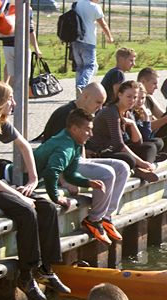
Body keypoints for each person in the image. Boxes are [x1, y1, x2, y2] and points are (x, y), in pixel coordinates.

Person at [0, 80, 69, 300]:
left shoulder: (0, 122)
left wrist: (33, 181)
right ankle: (26, 274)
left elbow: (25, 146)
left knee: (46, 206)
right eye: (10, 99)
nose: (14, 103)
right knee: (26, 210)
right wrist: (18, 196)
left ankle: (46, 268)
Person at [35, 83, 130, 243]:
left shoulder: (83, 113)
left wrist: (86, 161)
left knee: (122, 167)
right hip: (64, 164)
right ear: (85, 97)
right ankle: (94, 219)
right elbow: (56, 154)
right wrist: (65, 181)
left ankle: (106, 216)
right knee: (107, 173)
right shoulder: (65, 115)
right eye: (98, 102)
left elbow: (80, 144)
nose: (100, 108)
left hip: (75, 160)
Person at [88, 80, 160, 183]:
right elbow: (118, 144)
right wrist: (141, 162)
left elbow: (138, 142)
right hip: (101, 151)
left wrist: (133, 124)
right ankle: (139, 168)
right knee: (128, 158)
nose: (132, 100)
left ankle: (143, 170)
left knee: (150, 146)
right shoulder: (111, 112)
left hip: (115, 149)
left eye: (135, 97)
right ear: (120, 95)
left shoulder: (127, 111)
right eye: (129, 96)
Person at [72, 0, 114, 93]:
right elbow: (103, 24)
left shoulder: (77, 3)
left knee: (80, 67)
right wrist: (110, 37)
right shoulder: (95, 7)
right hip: (88, 41)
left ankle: (78, 91)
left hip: (75, 40)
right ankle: (81, 86)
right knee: (90, 66)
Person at [0, 3, 41, 86]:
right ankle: (18, 96)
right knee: (23, 75)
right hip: (21, 44)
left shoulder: (6, 6)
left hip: (6, 44)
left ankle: (8, 94)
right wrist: (36, 48)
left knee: (11, 72)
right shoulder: (27, 8)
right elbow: (30, 30)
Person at [131, 83, 166, 162]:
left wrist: (146, 117)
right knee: (151, 146)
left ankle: (153, 156)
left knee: (158, 141)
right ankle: (151, 159)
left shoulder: (139, 111)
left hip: (142, 141)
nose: (140, 101)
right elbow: (144, 137)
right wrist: (146, 119)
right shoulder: (130, 112)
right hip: (133, 144)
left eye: (143, 98)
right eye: (137, 98)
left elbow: (147, 135)